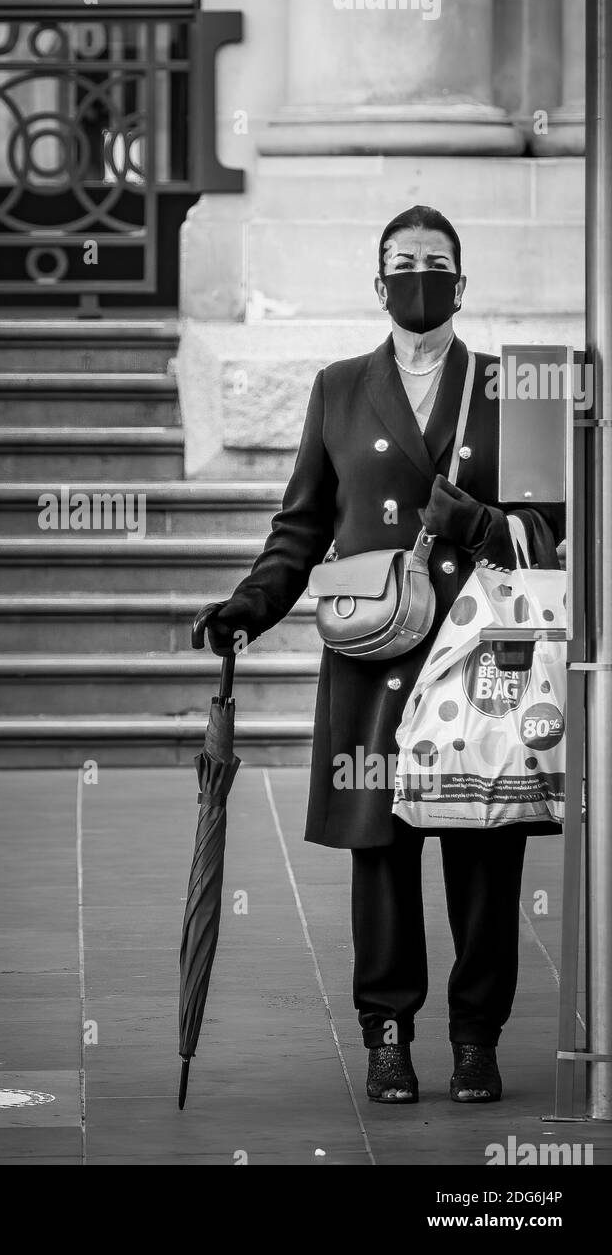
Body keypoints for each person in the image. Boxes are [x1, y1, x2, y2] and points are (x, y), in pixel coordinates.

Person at [199, 205, 564, 1105]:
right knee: (384, 855)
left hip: (484, 662)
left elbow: (558, 535)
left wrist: (474, 522)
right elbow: (302, 526)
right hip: (375, 660)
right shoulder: (337, 387)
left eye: (435, 264)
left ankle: (476, 1039)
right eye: (402, 263)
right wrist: (250, 607)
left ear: (461, 285)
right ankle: (387, 1037)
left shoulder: (516, 384)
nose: (418, 277)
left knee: (487, 854)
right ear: (378, 284)